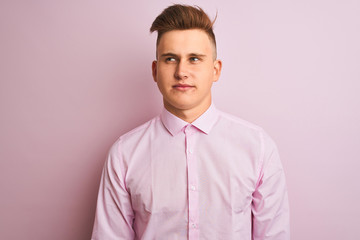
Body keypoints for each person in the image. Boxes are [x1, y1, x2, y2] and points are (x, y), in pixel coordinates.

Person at [91, 4, 290, 240]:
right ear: (155, 71)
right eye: (170, 59)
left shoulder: (258, 147)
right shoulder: (124, 154)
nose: (181, 71)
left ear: (215, 70)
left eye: (194, 58)